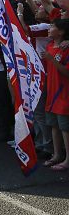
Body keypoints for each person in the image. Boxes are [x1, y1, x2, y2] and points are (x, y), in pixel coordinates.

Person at [42, 18, 69, 171]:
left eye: (52, 26)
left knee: (65, 128)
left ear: (62, 31)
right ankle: (57, 154)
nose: (49, 28)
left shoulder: (66, 49)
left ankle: (67, 159)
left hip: (63, 93)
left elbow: (66, 71)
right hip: (51, 92)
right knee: (54, 125)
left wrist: (51, 59)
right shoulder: (50, 45)